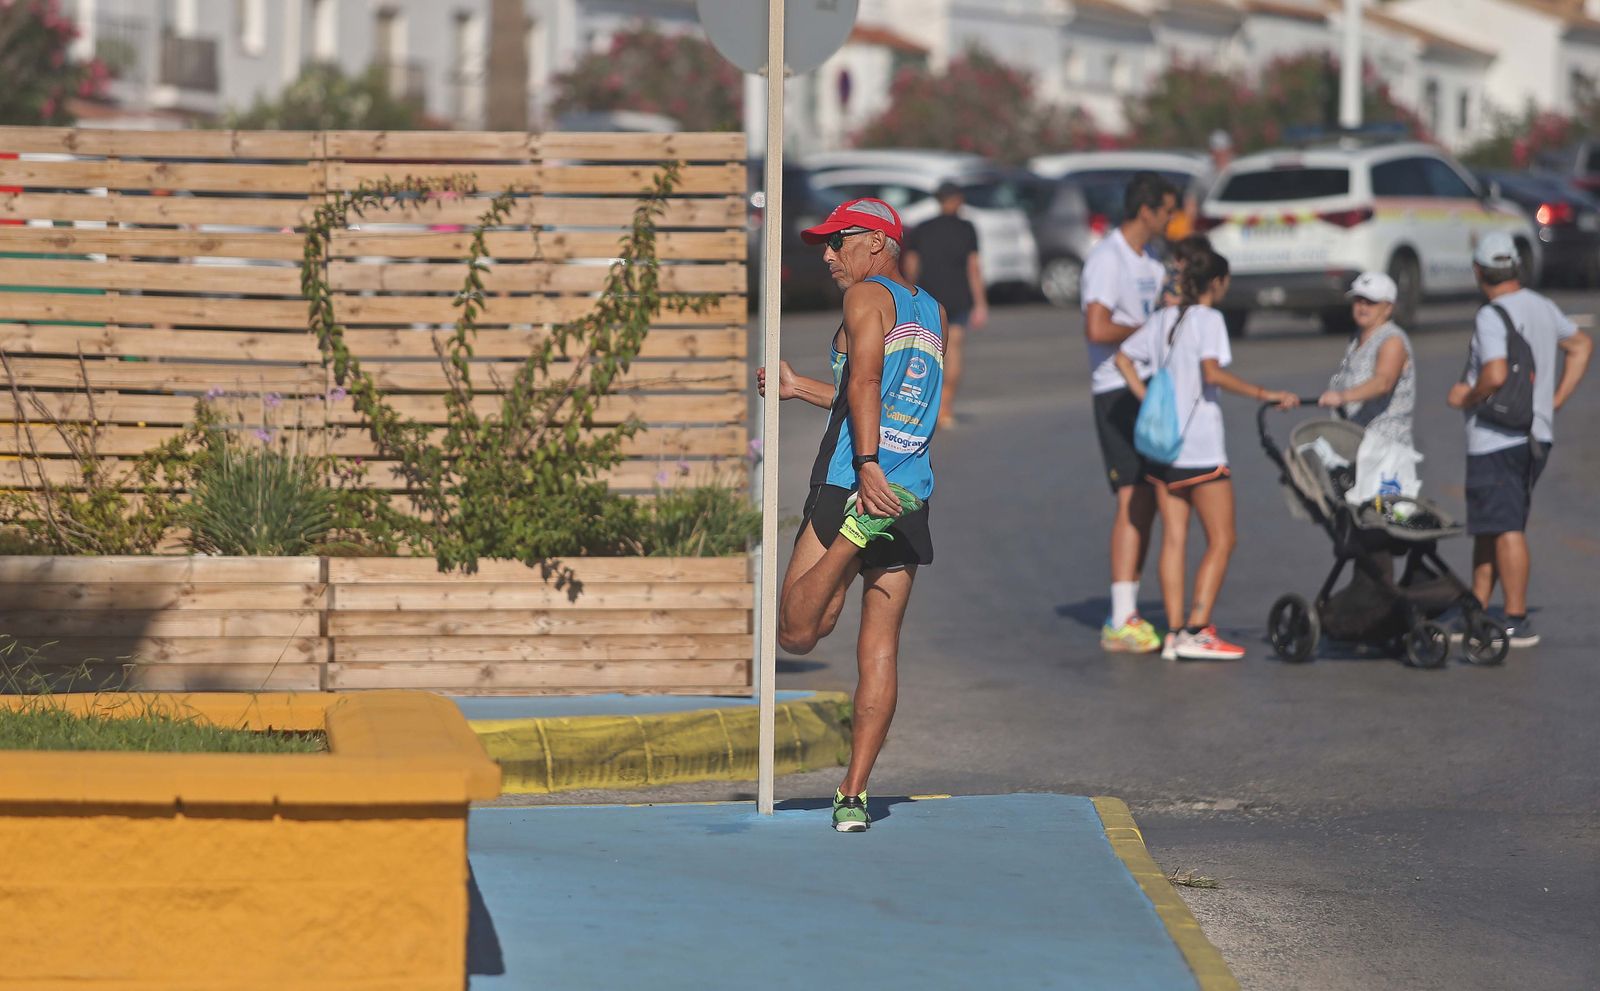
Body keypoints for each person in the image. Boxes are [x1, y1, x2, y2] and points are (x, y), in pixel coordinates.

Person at [756, 196, 943, 832]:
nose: (830, 257)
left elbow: (864, 384)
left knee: (799, 630)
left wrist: (864, 466)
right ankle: (854, 794)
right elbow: (874, 392)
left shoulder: (865, 299)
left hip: (853, 482)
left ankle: (849, 541)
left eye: (838, 243)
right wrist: (795, 388)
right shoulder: (932, 311)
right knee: (880, 649)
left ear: (876, 241)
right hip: (910, 487)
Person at [1114, 248, 1298, 661]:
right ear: (1216, 283)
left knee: (1174, 539)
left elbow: (1122, 358)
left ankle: (1176, 634)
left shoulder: (1163, 319)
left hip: (1163, 447)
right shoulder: (1210, 320)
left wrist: (1147, 399)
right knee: (1222, 539)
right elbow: (1212, 373)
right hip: (1199, 447)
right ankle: (1197, 628)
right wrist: (1264, 394)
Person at [1446, 231, 1591, 647]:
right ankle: (1476, 608)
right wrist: (1554, 400)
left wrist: (1464, 397)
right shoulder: (1542, 306)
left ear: (1478, 271)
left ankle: (1514, 618)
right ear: (1515, 266)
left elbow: (1492, 374)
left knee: (1506, 525)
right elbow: (1580, 345)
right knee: (1491, 525)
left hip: (1499, 438)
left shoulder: (1492, 315)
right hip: (1532, 435)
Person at [1081, 171, 1180, 653]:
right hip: (1116, 390)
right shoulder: (1108, 259)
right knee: (1131, 497)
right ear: (1147, 210)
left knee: (1145, 499)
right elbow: (1096, 327)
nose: (1170, 219)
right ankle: (1120, 619)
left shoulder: (1151, 260)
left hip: (1147, 388)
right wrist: (1148, 327)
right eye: (1167, 210)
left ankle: (1130, 608)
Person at [905, 181, 986, 430]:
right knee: (953, 351)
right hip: (958, 296)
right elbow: (973, 267)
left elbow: (911, 263)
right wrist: (980, 302)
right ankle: (945, 407)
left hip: (929, 297)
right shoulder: (966, 228)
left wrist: (910, 292)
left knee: (926, 354)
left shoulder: (922, 228)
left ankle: (923, 408)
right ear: (957, 199)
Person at [1319, 272, 1416, 447]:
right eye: (1358, 300)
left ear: (1388, 308)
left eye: (1371, 302)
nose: (1362, 306)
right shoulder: (1357, 339)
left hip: (1386, 449)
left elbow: (1383, 383)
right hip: (1358, 442)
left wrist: (1342, 397)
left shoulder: (1392, 340)